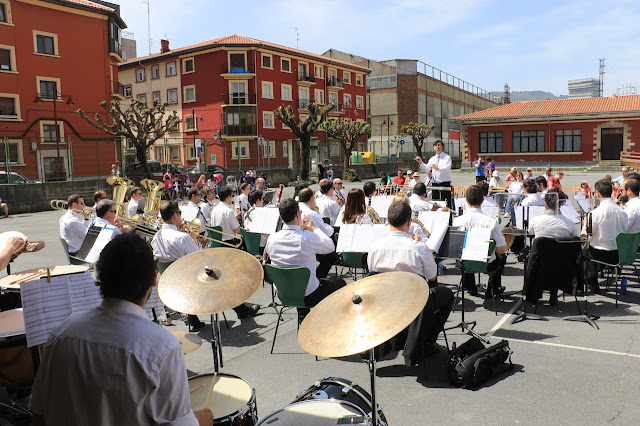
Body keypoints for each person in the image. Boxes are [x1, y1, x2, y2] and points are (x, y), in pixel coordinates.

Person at [30, 232, 214, 425]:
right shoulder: (162, 346)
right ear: (154, 277)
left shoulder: (61, 332)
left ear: (99, 275)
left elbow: (39, 412)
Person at [367, 201, 454, 364]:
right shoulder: (418, 248)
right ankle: (426, 343)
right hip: (413, 303)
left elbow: (373, 275)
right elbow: (432, 276)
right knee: (447, 295)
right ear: (409, 222)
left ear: (388, 221)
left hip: (385, 301)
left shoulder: (374, 248)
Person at [154, 201, 259, 324]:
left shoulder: (156, 236)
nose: (181, 216)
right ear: (175, 215)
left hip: (173, 281)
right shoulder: (182, 238)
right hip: (190, 280)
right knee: (219, 272)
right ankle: (241, 310)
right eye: (180, 213)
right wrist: (193, 238)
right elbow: (200, 258)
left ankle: (192, 317)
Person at [265, 198, 346, 310]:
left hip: (284, 294)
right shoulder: (306, 237)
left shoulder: (271, 238)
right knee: (340, 283)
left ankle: (303, 314)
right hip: (309, 295)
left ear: (281, 216)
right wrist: (314, 228)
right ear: (298, 214)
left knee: (303, 280)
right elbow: (330, 247)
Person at [453, 185, 508, 297]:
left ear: (466, 200)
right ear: (483, 201)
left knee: (462, 256)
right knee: (502, 257)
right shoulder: (491, 222)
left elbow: (455, 247)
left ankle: (470, 287)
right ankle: (492, 289)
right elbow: (502, 249)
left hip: (465, 264)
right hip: (487, 264)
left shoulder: (457, 221)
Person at [582, 179, 628, 294]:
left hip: (601, 254)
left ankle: (592, 283)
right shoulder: (623, 212)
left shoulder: (594, 213)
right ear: (611, 192)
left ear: (597, 193)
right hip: (619, 254)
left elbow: (585, 236)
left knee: (583, 252)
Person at [416, 140, 452, 207]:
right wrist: (421, 162)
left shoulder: (447, 158)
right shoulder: (432, 159)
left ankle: (448, 217)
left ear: (442, 147)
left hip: (444, 183)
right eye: (436, 145)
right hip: (435, 184)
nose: (437, 147)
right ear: (434, 148)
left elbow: (446, 168)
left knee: (446, 204)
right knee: (436, 204)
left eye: (439, 145)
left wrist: (438, 168)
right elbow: (427, 169)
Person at [59, 194, 90, 260]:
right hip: (78, 253)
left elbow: (81, 230)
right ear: (74, 205)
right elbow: (88, 237)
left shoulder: (64, 217)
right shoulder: (73, 220)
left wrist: (86, 219)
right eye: (82, 203)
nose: (84, 205)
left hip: (74, 251)